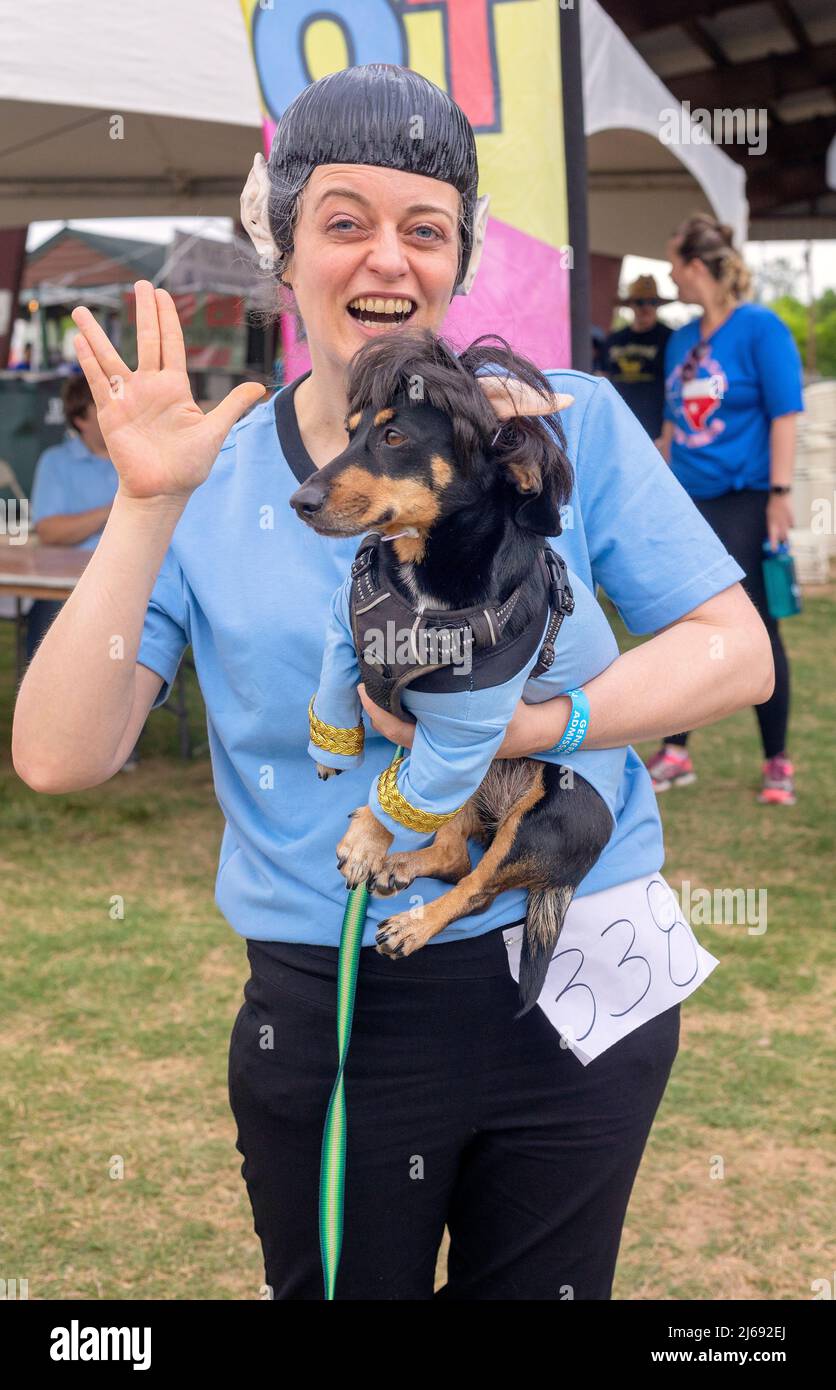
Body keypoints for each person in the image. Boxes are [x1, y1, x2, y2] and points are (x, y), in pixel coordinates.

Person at [13, 66, 773, 1300]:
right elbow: (58, 754)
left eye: (425, 229)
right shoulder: (205, 475)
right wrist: (148, 504)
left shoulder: (553, 423)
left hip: (578, 959)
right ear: (286, 247)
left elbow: (733, 652)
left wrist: (543, 721)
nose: (387, 258)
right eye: (345, 220)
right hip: (336, 1000)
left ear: (460, 262)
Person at [651, 214, 803, 805]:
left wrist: (781, 498)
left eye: (673, 263)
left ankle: (777, 762)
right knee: (682, 625)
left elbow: (785, 412)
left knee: (758, 627)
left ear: (696, 267)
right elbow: (670, 429)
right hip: (689, 502)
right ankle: (675, 750)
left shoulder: (761, 329)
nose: (669, 275)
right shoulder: (683, 339)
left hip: (746, 499)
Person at [27, 375, 141, 770]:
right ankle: (44, 734)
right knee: (46, 622)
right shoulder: (56, 463)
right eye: (102, 406)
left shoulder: (137, 454)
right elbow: (51, 531)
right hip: (69, 587)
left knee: (134, 638)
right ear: (80, 419)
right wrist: (118, 509)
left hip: (132, 583)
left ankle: (119, 740)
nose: (116, 412)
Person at [601, 274, 673, 439]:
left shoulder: (669, 338)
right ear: (631, 305)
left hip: (657, 429)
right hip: (618, 425)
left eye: (652, 303)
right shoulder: (614, 339)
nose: (646, 308)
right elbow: (603, 377)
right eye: (640, 302)